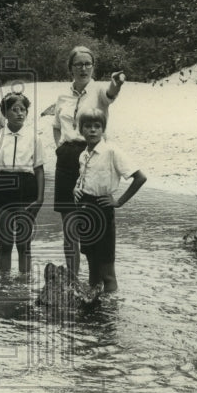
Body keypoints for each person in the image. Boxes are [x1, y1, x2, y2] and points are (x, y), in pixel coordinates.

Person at [52, 46, 127, 278]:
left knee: (92, 220)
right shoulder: (62, 96)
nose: (83, 68)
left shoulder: (99, 91)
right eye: (78, 64)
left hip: (92, 155)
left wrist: (118, 83)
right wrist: (60, 147)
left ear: (93, 67)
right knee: (69, 225)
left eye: (88, 64)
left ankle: (97, 276)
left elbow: (111, 95)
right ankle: (73, 278)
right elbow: (56, 126)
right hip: (66, 158)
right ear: (70, 68)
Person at [72, 108, 146, 293]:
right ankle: (94, 310)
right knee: (92, 269)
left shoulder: (111, 151)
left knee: (107, 272)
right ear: (81, 130)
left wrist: (119, 202)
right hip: (85, 209)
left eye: (97, 126)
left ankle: (111, 313)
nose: (93, 130)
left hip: (103, 209)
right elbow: (85, 177)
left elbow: (140, 177)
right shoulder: (83, 154)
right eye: (87, 126)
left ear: (103, 129)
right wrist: (76, 189)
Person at [0, 91, 44, 275]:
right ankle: (4, 285)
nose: (20, 113)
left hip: (26, 187)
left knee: (23, 242)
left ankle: (23, 284)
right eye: (15, 109)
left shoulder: (34, 137)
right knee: (5, 242)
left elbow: (38, 169)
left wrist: (40, 198)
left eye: (23, 109)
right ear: (5, 113)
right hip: (2, 186)